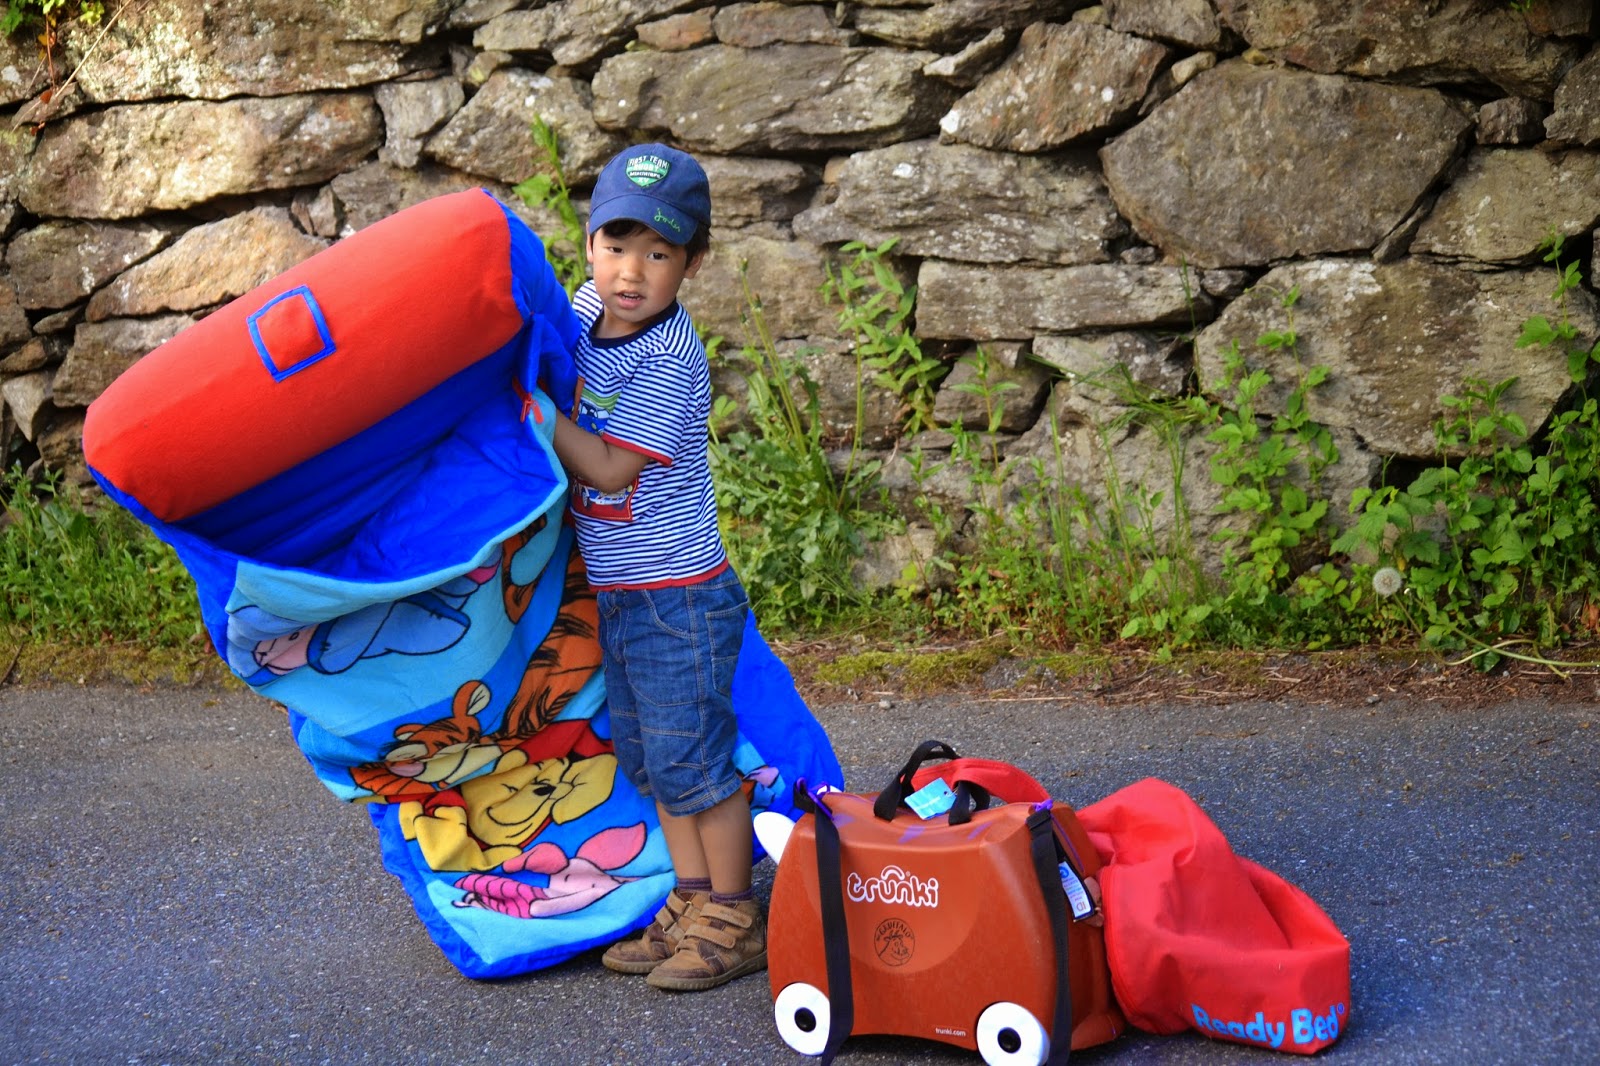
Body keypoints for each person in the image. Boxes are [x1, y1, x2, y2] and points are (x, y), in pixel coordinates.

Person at [548, 143, 763, 992]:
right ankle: (693, 894)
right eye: (615, 245)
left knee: (695, 762)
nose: (630, 272)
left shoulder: (672, 360)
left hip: (681, 597)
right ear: (590, 244)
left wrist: (531, 411)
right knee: (649, 757)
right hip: (622, 593)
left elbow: (606, 470)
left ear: (692, 263)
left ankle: (737, 915)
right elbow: (542, 337)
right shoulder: (583, 308)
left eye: (659, 252)